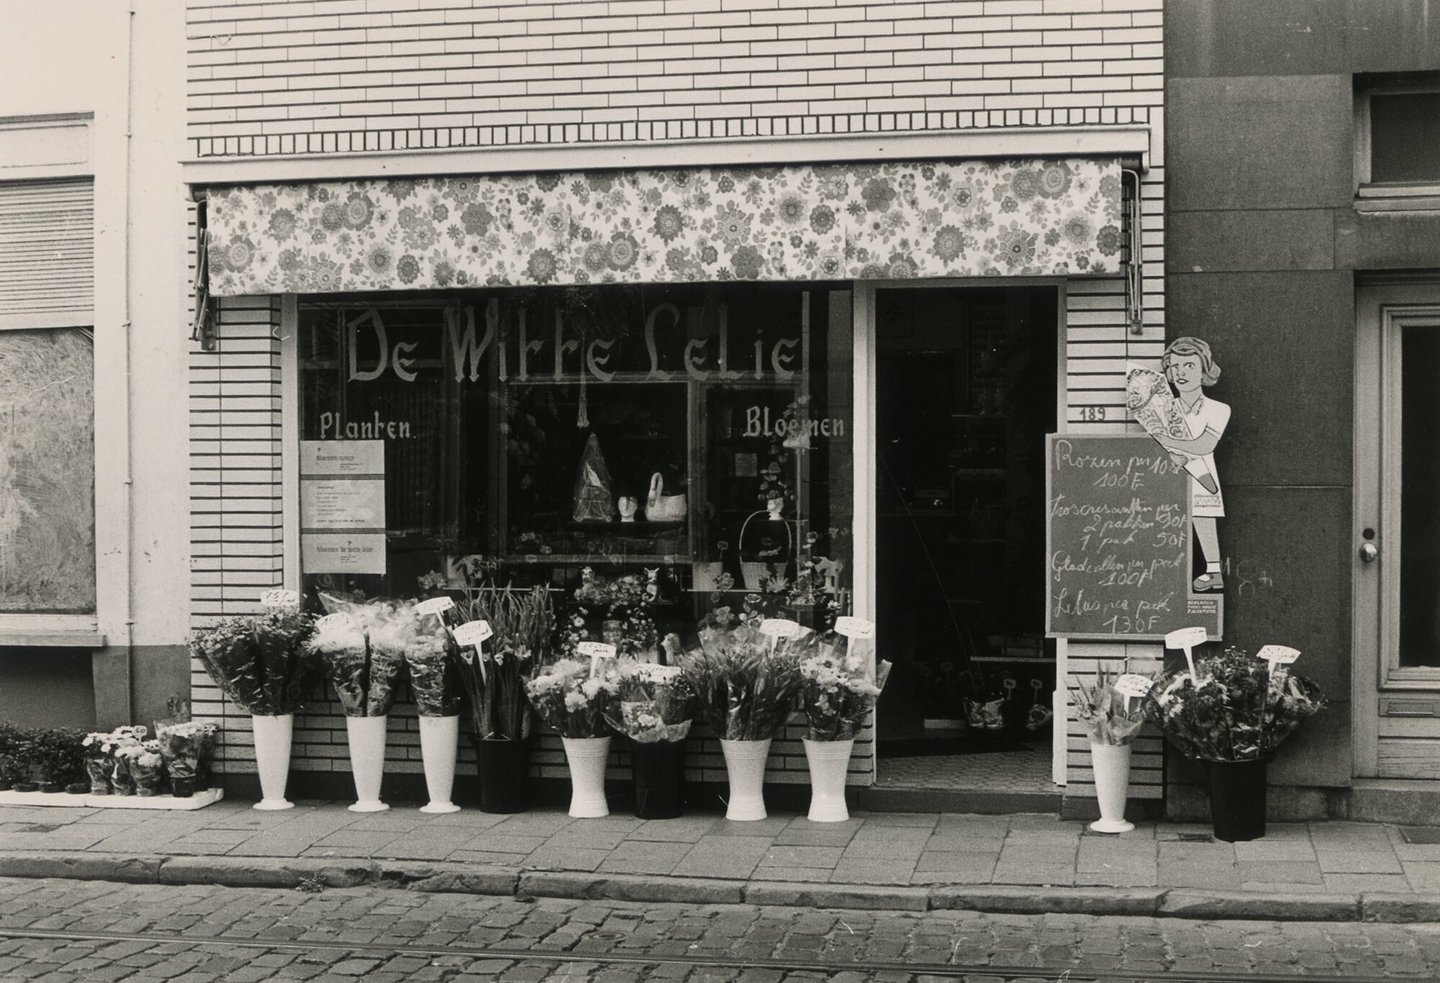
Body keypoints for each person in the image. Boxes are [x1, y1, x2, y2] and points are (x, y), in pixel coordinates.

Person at [1155, 337, 1230, 593]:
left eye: (1189, 365)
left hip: (1203, 479)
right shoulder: (1163, 410)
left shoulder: (1219, 409)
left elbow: (1204, 445)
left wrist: (1166, 440)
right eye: (1175, 367)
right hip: (1169, 480)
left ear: (1204, 370)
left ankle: (1213, 572)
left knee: (1203, 520)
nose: (1181, 372)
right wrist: (1167, 453)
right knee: (1167, 525)